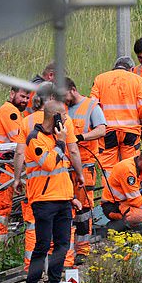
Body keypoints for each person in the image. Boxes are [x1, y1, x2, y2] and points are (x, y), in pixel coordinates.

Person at [13, 82, 84, 272]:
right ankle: (65, 265)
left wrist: (17, 178)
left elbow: (20, 153)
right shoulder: (63, 120)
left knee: (33, 227)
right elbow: (73, 150)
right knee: (63, 231)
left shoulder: (26, 121)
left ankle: (32, 268)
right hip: (58, 185)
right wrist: (80, 174)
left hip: (37, 187)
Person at [20, 101, 83, 283]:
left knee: (62, 245)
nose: (66, 120)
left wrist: (71, 196)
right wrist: (62, 142)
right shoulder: (35, 139)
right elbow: (48, 163)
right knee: (42, 246)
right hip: (44, 202)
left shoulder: (57, 139)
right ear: (54, 117)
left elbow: (61, 172)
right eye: (63, 116)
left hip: (63, 201)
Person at [64, 77, 107, 265]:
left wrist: (81, 137)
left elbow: (102, 130)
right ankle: (68, 251)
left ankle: (83, 250)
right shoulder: (62, 108)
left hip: (85, 165)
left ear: (73, 89)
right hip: (65, 167)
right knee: (66, 209)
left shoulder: (91, 106)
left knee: (83, 210)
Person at [0, 87, 30, 242]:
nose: (25, 100)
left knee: (2, 206)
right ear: (12, 94)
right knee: (1, 207)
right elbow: (20, 142)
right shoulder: (10, 112)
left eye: (27, 98)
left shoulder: (11, 111)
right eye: (22, 96)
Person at [90, 56, 142, 179]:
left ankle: (109, 195)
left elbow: (92, 105)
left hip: (107, 132)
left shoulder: (100, 79)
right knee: (130, 165)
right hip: (130, 132)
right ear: (132, 69)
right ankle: (129, 194)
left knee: (108, 168)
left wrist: (96, 126)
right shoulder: (137, 80)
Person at [101, 148, 142, 233]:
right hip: (113, 206)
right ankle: (113, 228)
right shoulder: (128, 169)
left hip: (126, 202)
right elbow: (135, 200)